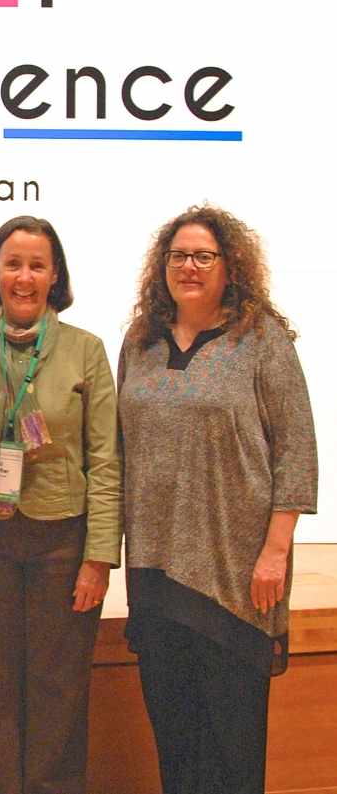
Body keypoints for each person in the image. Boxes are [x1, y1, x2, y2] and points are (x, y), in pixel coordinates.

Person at [119, 204, 317, 794]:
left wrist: (275, 552)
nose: (189, 266)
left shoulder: (262, 341)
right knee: (175, 740)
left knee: (232, 746)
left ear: (231, 267)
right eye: (178, 256)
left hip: (234, 573)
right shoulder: (140, 342)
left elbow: (296, 450)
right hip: (154, 569)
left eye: (204, 256)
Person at [0, 215, 122, 794]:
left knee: (58, 688)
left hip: (63, 543)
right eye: (13, 264)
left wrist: (99, 557)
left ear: (54, 275)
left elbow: (106, 461)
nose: (24, 277)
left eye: (37, 265)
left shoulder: (86, 350)